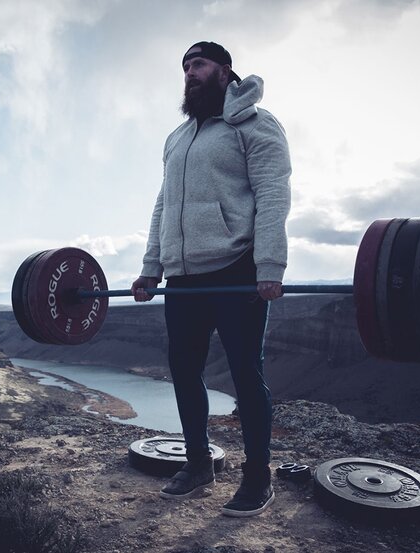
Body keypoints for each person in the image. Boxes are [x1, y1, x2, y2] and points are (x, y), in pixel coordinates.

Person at [130, 41, 291, 518]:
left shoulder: (255, 125)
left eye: (198, 64)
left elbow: (272, 193)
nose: (189, 73)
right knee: (183, 370)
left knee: (246, 373)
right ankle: (199, 464)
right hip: (183, 277)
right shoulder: (177, 138)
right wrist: (150, 267)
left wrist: (269, 267)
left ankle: (258, 477)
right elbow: (163, 207)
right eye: (184, 66)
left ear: (224, 71)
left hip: (236, 271)